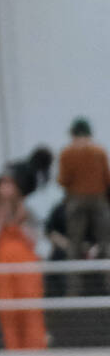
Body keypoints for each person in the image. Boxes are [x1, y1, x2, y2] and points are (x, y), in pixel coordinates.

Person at [0, 174, 48, 350]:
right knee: (7, 314)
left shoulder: (27, 212)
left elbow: (35, 240)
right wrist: (0, 221)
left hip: (27, 272)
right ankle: (12, 353)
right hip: (2, 273)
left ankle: (37, 354)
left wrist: (20, 221)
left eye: (10, 184)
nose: (6, 189)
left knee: (31, 312)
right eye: (3, 185)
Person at [57, 118, 110, 295]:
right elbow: (107, 178)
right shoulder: (99, 152)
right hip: (99, 199)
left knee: (74, 245)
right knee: (106, 242)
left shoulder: (67, 153)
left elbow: (63, 180)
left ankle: (74, 288)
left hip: (76, 200)